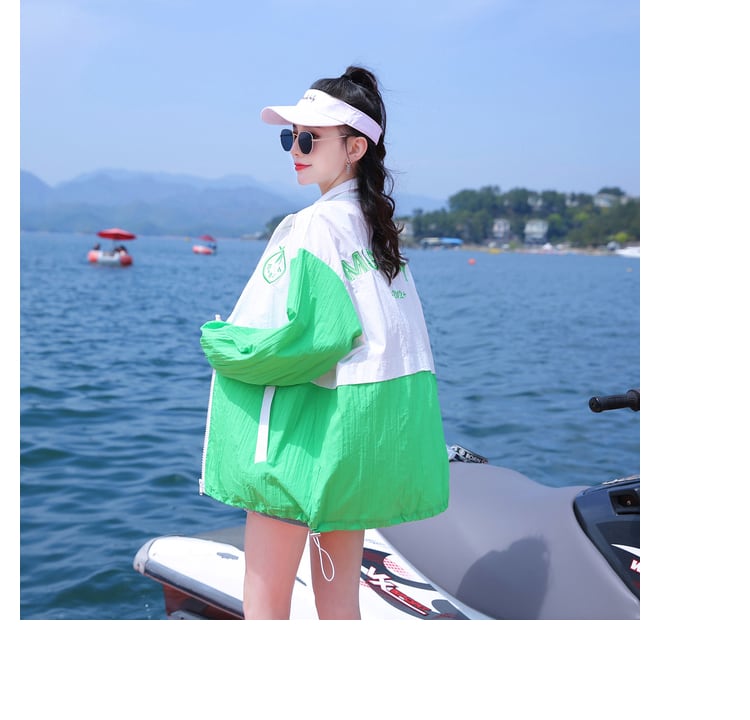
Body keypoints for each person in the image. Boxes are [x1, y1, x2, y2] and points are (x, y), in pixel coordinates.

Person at [198, 65, 449, 620]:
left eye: (309, 138)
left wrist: (221, 345)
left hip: (304, 440)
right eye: (290, 137)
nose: (295, 149)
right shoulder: (377, 233)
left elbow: (311, 338)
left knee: (265, 603)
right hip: (361, 438)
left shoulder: (314, 225)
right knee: (338, 605)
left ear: (355, 147)